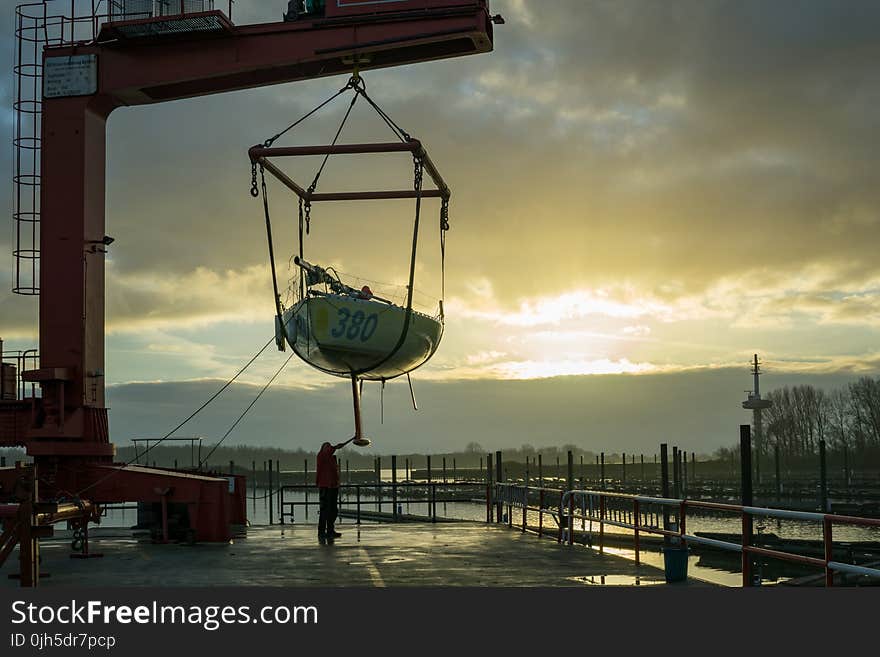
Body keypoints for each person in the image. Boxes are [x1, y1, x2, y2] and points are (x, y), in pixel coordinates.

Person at [316, 440, 346, 543]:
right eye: (326, 446)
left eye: (329, 446)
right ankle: (321, 531)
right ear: (323, 448)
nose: (328, 448)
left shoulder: (329, 458)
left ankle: (330, 530)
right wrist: (336, 447)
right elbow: (328, 452)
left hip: (333, 486)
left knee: (333, 510)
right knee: (325, 510)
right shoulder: (321, 456)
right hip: (325, 486)